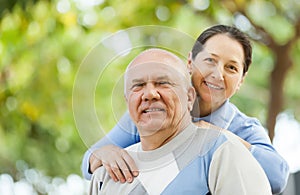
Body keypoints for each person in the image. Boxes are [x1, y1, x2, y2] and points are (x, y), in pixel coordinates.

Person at [82, 25, 289, 194]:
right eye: (210, 61)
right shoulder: (151, 109)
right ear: (190, 62)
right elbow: (88, 164)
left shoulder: (242, 128)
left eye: (231, 68)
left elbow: (278, 177)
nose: (218, 74)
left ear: (241, 80)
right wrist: (101, 154)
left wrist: (217, 134)